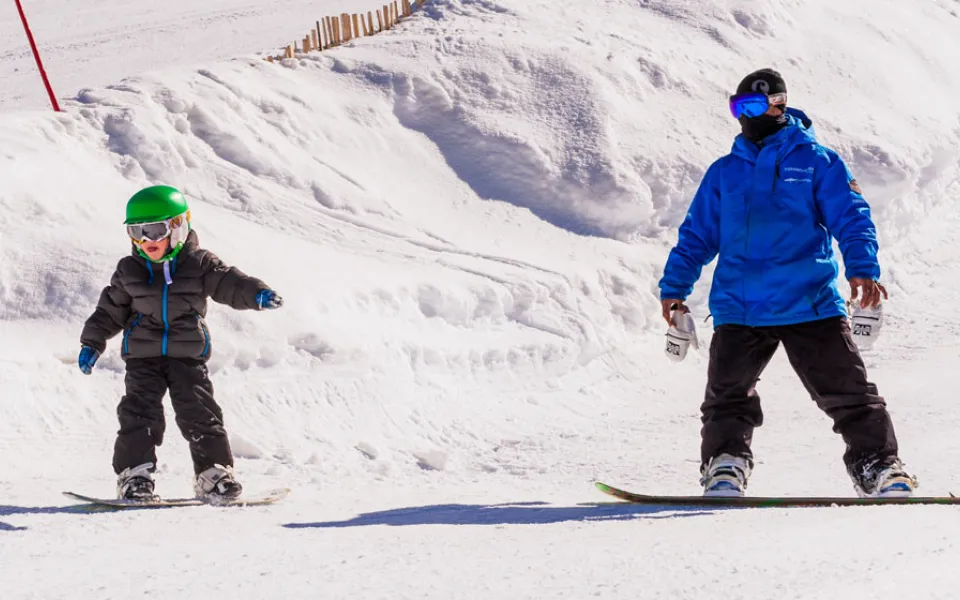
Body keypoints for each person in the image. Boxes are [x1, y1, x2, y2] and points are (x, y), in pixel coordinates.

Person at [657, 68, 917, 498]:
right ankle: (725, 465)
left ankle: (879, 466)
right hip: (739, 307)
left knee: (849, 394)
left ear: (778, 105)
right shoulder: (724, 173)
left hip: (809, 301)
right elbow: (697, 235)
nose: (745, 116)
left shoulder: (818, 161)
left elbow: (852, 218)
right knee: (726, 398)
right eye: (738, 108)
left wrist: (862, 268)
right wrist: (674, 289)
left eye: (754, 107)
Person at [78, 185, 284, 502]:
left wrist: (256, 293)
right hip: (142, 358)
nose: (146, 241)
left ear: (178, 227)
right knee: (138, 414)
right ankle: (134, 476)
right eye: (136, 231)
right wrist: (92, 343)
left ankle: (213, 474)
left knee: (199, 412)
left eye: (155, 229)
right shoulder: (129, 270)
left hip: (187, 355)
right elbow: (109, 311)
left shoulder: (200, 264)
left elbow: (229, 282)